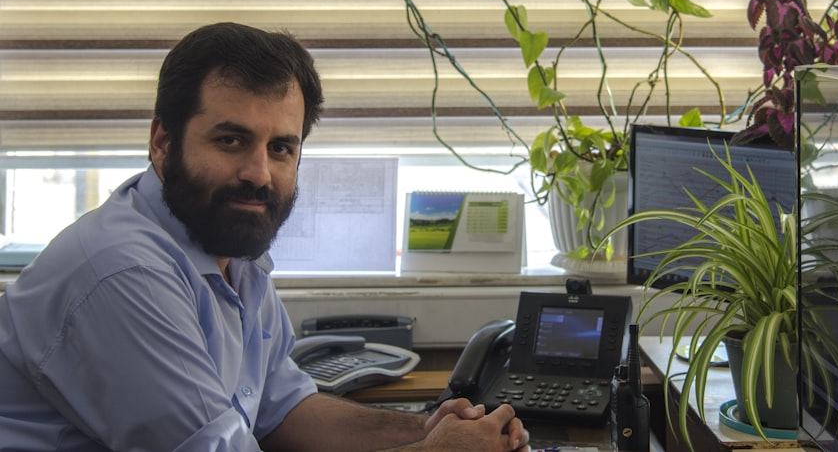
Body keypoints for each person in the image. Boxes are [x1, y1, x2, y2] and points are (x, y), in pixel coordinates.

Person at [0, 22, 531, 452]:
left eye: (281, 147)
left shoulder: (234, 256)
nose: (259, 172)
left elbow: (281, 411)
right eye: (231, 140)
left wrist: (425, 430)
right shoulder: (124, 273)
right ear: (163, 142)